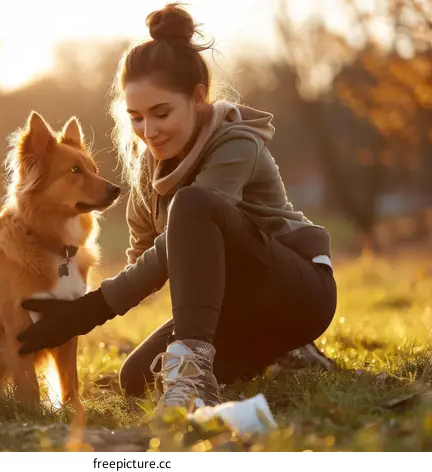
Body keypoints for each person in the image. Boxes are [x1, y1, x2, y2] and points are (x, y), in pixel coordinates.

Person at [17, 2, 337, 412]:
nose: (148, 131)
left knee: (192, 203)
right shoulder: (149, 167)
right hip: (237, 310)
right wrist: (75, 303)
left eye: (161, 113)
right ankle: (283, 355)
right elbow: (148, 259)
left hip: (297, 292)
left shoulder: (236, 143)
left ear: (198, 98)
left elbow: (173, 242)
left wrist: (89, 310)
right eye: (135, 117)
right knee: (136, 378)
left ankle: (198, 373)